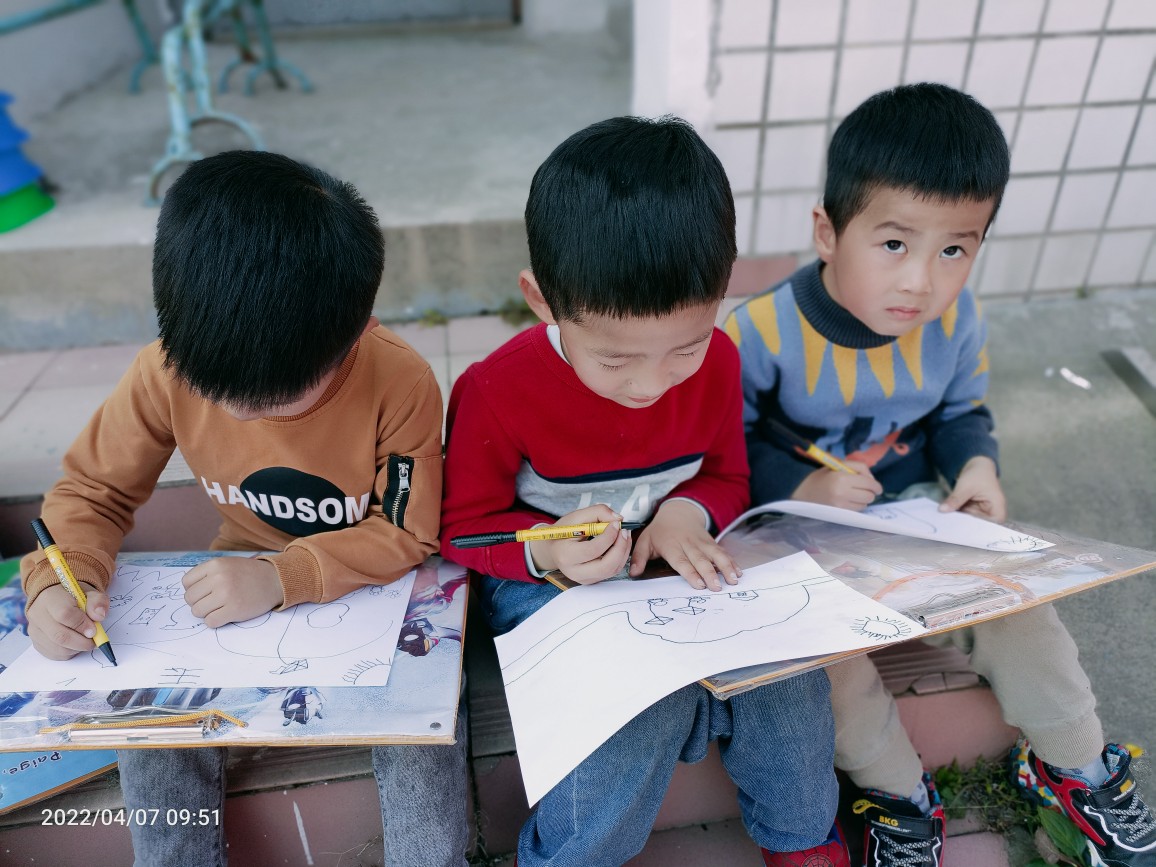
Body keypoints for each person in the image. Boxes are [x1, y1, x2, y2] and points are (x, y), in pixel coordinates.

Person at [725, 83, 1156, 867]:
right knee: (822, 664)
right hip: (803, 539)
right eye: (895, 244)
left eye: (954, 249)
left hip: (917, 519)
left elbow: (961, 412)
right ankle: (899, 795)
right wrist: (800, 485)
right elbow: (729, 444)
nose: (922, 281)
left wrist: (977, 467)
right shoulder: (759, 330)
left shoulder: (956, 320)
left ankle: (1076, 769)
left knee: (1023, 603)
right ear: (828, 232)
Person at [19, 151, 469, 867]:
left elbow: (408, 530)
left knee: (426, 719)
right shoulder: (164, 369)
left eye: (275, 399)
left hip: (377, 592)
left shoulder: (399, 379)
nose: (237, 412)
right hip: (231, 595)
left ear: (356, 329)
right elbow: (91, 492)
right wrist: (58, 581)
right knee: (152, 725)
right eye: (214, 389)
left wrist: (283, 575)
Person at [440, 115, 845, 867]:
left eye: (684, 348)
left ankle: (804, 845)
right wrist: (549, 552)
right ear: (541, 300)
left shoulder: (719, 364)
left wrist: (686, 512)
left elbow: (726, 476)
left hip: (677, 574)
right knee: (631, 707)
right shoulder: (496, 390)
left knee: (788, 678)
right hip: (550, 587)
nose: (651, 384)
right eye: (615, 360)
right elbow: (463, 527)